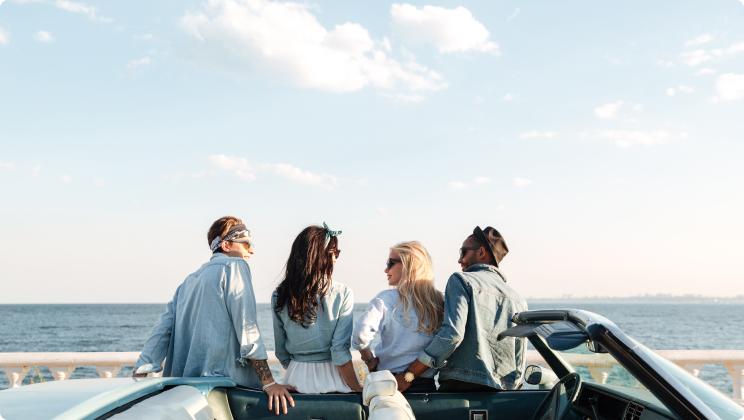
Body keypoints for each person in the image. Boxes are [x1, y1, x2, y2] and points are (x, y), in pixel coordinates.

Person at [134, 216, 294, 415]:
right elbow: (247, 328)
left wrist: (142, 368)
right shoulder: (235, 266)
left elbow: (162, 331)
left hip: (185, 393)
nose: (251, 250)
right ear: (226, 245)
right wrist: (269, 383)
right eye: (245, 244)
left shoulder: (188, 282)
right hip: (222, 393)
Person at [396, 226, 528, 392]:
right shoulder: (517, 298)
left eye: (463, 252)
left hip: (461, 388)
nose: (460, 260)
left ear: (481, 252)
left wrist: (409, 375)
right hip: (503, 392)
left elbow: (452, 334)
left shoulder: (461, 280)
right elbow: (519, 356)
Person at [271, 223, 362, 393]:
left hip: (295, 377)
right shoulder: (343, 293)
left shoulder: (280, 295)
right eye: (336, 253)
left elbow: (280, 350)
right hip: (333, 378)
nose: (336, 258)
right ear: (326, 255)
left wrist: (299, 367)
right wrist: (357, 387)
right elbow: (339, 351)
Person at [352, 241, 443, 393]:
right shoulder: (440, 302)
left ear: (409, 265)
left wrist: (369, 360)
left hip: (388, 384)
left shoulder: (385, 299)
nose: (385, 269)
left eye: (390, 263)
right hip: (425, 386)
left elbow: (360, 335)